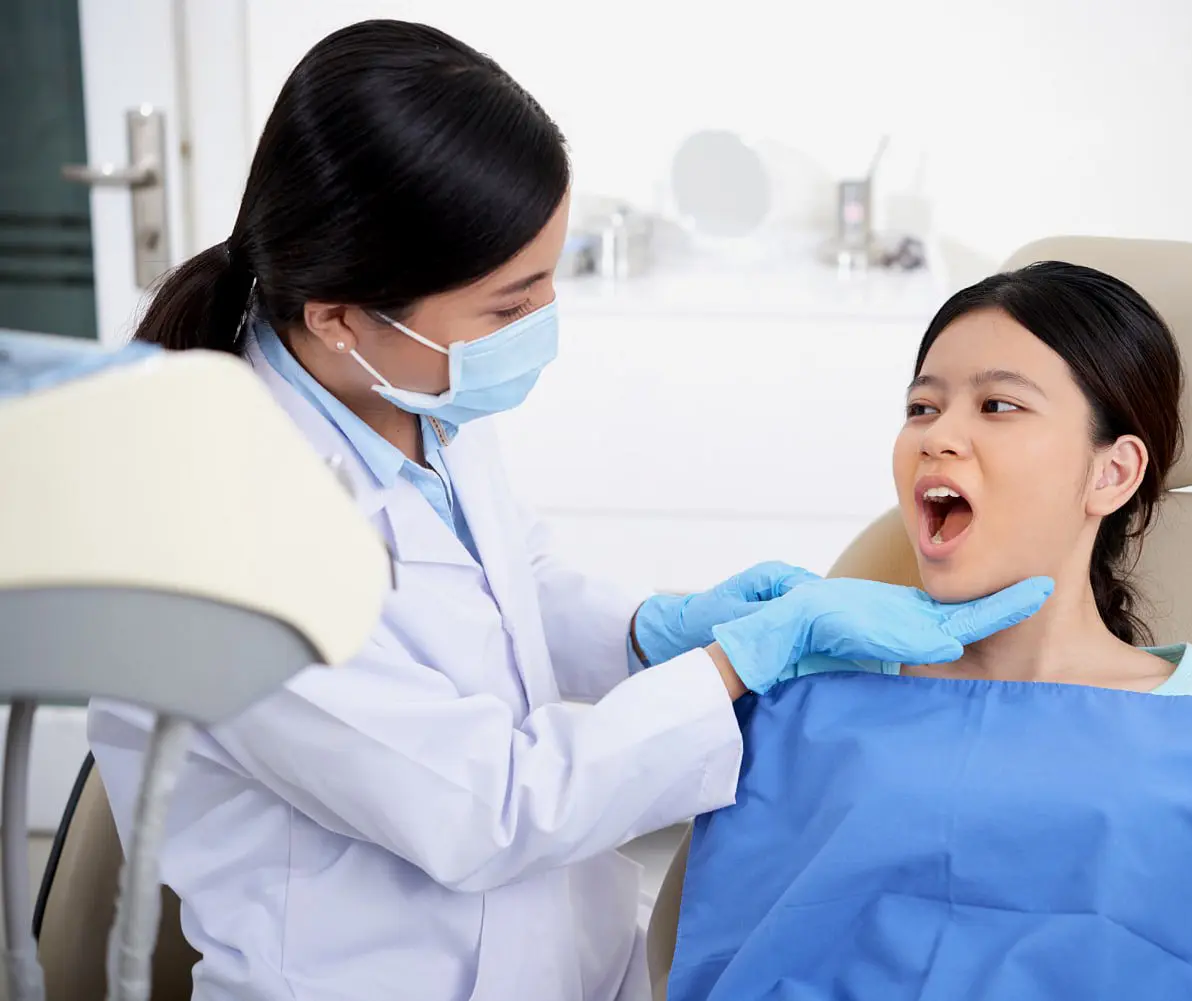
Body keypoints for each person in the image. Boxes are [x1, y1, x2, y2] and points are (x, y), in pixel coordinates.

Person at [83, 20, 1051, 1001]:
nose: (544, 321)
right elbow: (486, 804)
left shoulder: (411, 393)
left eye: (551, 274)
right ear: (339, 316)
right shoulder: (215, 538)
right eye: (508, 307)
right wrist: (731, 665)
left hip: (578, 952)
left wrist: (653, 631)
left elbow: (506, 590)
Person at [667, 263, 1192, 1001]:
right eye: (922, 407)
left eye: (997, 405)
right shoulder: (802, 685)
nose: (939, 436)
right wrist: (709, 660)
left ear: (1111, 474)